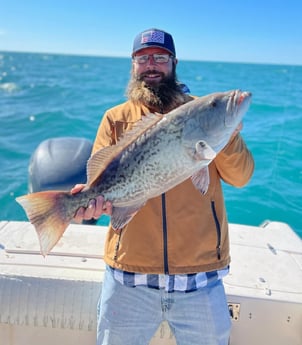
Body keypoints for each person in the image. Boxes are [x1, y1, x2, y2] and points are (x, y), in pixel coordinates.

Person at [72, 28, 254, 345]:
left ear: (174, 62)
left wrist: (229, 135)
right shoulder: (115, 119)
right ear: (133, 65)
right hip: (128, 277)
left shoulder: (205, 113)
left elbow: (240, 177)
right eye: (142, 58)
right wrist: (90, 204)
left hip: (200, 278)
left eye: (159, 57)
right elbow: (100, 184)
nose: (151, 64)